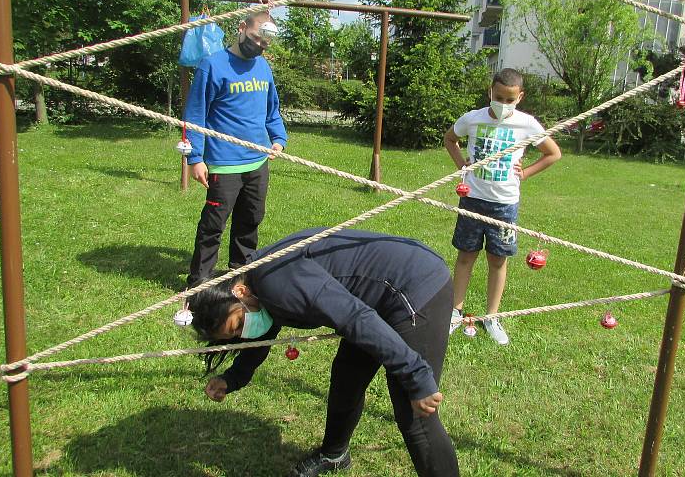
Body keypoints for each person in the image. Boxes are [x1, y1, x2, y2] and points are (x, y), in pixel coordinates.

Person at [187, 228, 459, 477]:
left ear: (240, 291)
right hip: (373, 300)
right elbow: (262, 334)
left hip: (414, 286)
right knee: (347, 377)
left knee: (415, 415)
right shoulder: (259, 286)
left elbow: (354, 318)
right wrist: (232, 378)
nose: (243, 334)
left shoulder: (276, 283)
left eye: (236, 326)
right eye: (234, 336)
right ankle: (334, 454)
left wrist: (416, 374)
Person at [443, 68, 561, 345]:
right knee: (466, 255)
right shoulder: (472, 119)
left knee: (498, 260)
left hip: (504, 204)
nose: (503, 104)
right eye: (498, 98)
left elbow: (553, 153)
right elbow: (450, 138)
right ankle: (455, 312)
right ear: (490, 93)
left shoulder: (528, 125)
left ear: (520, 97)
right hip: (472, 198)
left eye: (510, 100)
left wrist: (526, 172)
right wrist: (462, 165)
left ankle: (492, 316)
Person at [183, 9, 287, 287]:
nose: (260, 46)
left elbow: (271, 108)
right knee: (213, 224)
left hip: (257, 160)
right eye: (256, 38)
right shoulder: (213, 65)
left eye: (266, 43)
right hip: (223, 163)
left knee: (251, 219)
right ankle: (199, 282)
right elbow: (195, 113)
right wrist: (195, 158)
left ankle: (239, 275)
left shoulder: (263, 67)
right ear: (242, 28)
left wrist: (278, 137)